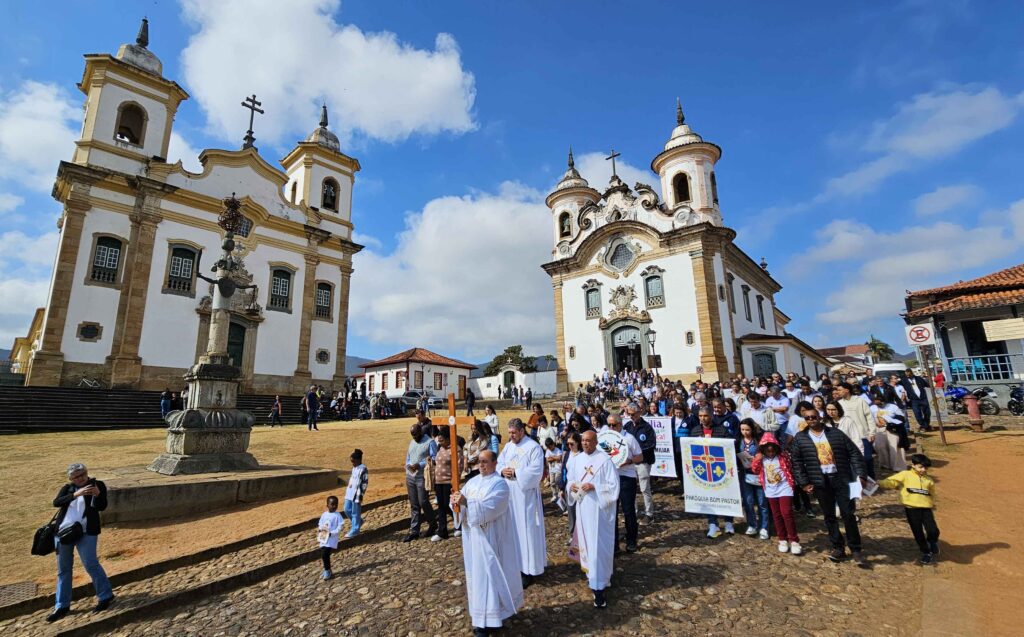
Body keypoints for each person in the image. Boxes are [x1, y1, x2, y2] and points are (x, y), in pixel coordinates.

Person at [452, 450, 524, 636]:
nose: (481, 465)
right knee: (477, 578)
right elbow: (462, 509)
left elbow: (491, 508)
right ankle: (481, 618)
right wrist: (456, 504)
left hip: (491, 539)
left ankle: (491, 619)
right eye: (479, 462)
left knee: (489, 577)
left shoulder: (500, 484)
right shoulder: (472, 482)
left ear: (494, 463)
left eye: (485, 461)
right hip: (473, 541)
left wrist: (467, 502)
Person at [790, 404, 868, 566]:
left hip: (841, 478)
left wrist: (861, 474)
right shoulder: (800, 438)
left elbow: (854, 452)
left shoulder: (835, 433)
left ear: (820, 417)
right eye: (807, 418)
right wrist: (804, 482)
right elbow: (796, 462)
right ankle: (837, 547)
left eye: (813, 417)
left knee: (848, 514)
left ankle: (855, 549)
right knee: (829, 516)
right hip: (820, 481)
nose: (811, 420)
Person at [48, 463, 114, 622]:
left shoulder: (97, 485)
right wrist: (75, 494)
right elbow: (56, 502)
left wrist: (98, 495)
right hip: (64, 532)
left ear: (87, 473)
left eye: (82, 474)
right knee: (63, 570)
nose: (80, 478)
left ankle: (105, 596)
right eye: (76, 477)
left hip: (87, 532)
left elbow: (102, 506)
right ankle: (62, 605)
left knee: (91, 564)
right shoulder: (68, 488)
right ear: (71, 479)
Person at [566, 430, 619, 608]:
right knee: (587, 545)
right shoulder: (577, 459)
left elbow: (613, 486)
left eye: (588, 440)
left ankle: (599, 586)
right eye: (583, 440)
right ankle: (594, 575)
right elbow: (570, 479)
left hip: (599, 512)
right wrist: (572, 486)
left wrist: (594, 486)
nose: (585, 443)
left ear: (596, 442)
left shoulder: (604, 461)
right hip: (583, 509)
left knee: (598, 546)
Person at [496, 418, 547, 587]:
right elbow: (500, 463)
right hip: (510, 496)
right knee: (512, 532)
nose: (511, 436)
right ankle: (515, 566)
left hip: (526, 498)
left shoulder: (533, 447)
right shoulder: (509, 446)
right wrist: (502, 470)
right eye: (509, 432)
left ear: (521, 431)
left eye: (514, 433)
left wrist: (516, 473)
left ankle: (528, 570)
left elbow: (536, 471)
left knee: (526, 532)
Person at [878, 453, 940, 564]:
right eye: (921, 467)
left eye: (925, 468)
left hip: (926, 509)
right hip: (911, 509)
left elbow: (932, 493)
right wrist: (879, 483)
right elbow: (892, 482)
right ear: (913, 465)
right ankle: (926, 552)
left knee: (933, 530)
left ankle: (932, 541)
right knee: (918, 532)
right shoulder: (905, 475)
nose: (923, 470)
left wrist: (931, 503)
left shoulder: (929, 480)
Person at [751, 433, 802, 555]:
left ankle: (794, 540)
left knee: (787, 513)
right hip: (770, 490)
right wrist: (757, 459)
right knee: (776, 515)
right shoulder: (761, 458)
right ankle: (782, 539)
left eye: (772, 450)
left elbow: (790, 467)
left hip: (785, 487)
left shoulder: (783, 456)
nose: (770, 453)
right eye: (767, 451)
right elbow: (755, 470)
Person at [692, 406, 735, 537]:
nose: (703, 418)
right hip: (704, 469)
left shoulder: (722, 430)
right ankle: (713, 523)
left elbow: (730, 447)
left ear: (711, 416)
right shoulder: (695, 431)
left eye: (705, 416)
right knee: (709, 496)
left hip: (720, 468)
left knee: (725, 495)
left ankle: (728, 522)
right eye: (700, 416)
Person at [608, 414, 643, 553]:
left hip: (627, 477)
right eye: (609, 425)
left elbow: (640, 456)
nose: (611, 427)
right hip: (611, 479)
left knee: (628, 511)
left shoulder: (629, 438)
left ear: (620, 424)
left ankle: (631, 541)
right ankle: (614, 545)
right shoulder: (606, 438)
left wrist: (629, 461)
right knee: (612, 512)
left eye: (614, 425)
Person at [403, 423, 437, 542]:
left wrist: (420, 465)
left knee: (423, 501)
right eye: (412, 435)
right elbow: (408, 457)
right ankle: (414, 531)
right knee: (414, 504)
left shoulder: (430, 442)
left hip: (422, 476)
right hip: (411, 476)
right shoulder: (412, 442)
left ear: (421, 432)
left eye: (416, 435)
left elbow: (434, 458)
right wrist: (408, 465)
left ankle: (433, 523)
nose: (414, 437)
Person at [624, 402, 656, 524]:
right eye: (629, 414)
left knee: (644, 488)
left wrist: (637, 453)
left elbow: (651, 444)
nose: (632, 416)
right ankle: (633, 512)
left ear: (639, 412)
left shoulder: (647, 427)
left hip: (643, 461)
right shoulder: (627, 426)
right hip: (630, 463)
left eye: (634, 414)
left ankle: (649, 514)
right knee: (631, 488)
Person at [835, 382, 875, 480]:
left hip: (863, 435)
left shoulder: (860, 401)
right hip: (847, 438)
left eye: (840, 390)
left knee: (867, 459)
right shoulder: (839, 403)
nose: (838, 392)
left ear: (847, 390)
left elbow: (869, 417)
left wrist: (872, 432)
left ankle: (871, 481)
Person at [736, 419, 768, 539]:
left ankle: (764, 527)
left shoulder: (759, 441)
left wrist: (760, 456)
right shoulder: (739, 441)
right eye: (742, 430)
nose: (745, 432)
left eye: (747, 430)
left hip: (759, 474)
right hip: (745, 474)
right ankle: (752, 524)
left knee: (762, 502)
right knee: (748, 501)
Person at [432, 429, 463, 541]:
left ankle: (459, 524)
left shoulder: (455, 449)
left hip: (448, 481)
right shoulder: (440, 448)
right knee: (441, 506)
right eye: (439, 440)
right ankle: (442, 531)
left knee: (448, 505)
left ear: (448, 439)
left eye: (442, 440)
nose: (440, 442)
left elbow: (459, 466)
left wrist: (455, 480)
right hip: (438, 481)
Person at [317, 495, 344, 580]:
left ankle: (327, 570)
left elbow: (340, 526)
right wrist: (320, 529)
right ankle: (327, 569)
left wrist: (332, 533)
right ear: (327, 505)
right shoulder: (324, 514)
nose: (334, 506)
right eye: (332, 504)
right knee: (323, 554)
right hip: (324, 537)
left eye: (336, 504)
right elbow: (320, 523)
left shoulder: (337, 515)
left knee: (325, 553)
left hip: (331, 538)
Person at [344, 449, 368, 538]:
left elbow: (365, 483)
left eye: (353, 461)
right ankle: (359, 522)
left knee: (355, 512)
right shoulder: (354, 468)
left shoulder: (363, 469)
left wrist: (361, 494)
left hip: (357, 494)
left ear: (358, 460)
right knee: (346, 509)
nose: (352, 463)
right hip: (350, 492)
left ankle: (355, 529)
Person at [543, 438, 566, 512]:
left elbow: (559, 458)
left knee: (557, 480)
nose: (550, 448)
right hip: (551, 470)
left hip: (558, 469)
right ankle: (554, 495)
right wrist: (554, 458)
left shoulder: (558, 450)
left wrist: (552, 458)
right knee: (552, 482)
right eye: (548, 447)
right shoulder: (548, 451)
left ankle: (560, 494)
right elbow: (547, 459)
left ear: (553, 444)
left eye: (550, 446)